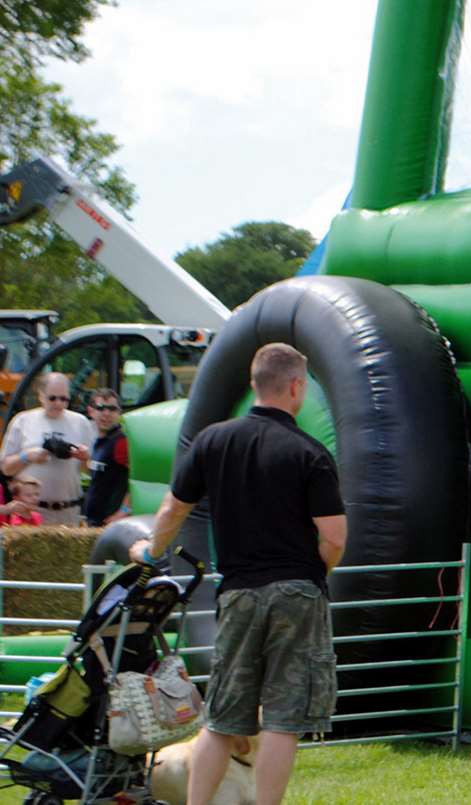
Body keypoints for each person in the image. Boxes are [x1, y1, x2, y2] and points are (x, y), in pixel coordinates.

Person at [129, 343, 346, 805]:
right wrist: (311, 571)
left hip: (238, 592)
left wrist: (149, 552)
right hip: (297, 592)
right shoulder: (311, 453)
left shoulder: (212, 440)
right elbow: (335, 538)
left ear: (253, 385)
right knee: (284, 719)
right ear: (296, 387)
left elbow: (172, 509)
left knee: (223, 717)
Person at [0, 372, 94, 525]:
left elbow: (93, 471)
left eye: (64, 399)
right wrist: (27, 457)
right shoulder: (23, 421)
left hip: (69, 511)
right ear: (41, 395)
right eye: (53, 398)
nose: (59, 403)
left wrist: (85, 458)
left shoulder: (81, 422)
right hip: (30, 514)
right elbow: (5, 469)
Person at [84, 388, 131, 527]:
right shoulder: (98, 441)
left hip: (111, 523)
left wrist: (123, 512)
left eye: (112, 409)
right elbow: (102, 474)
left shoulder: (121, 442)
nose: (106, 413)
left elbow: (138, 480)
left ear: (119, 413)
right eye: (100, 408)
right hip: (94, 522)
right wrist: (84, 460)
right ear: (91, 411)